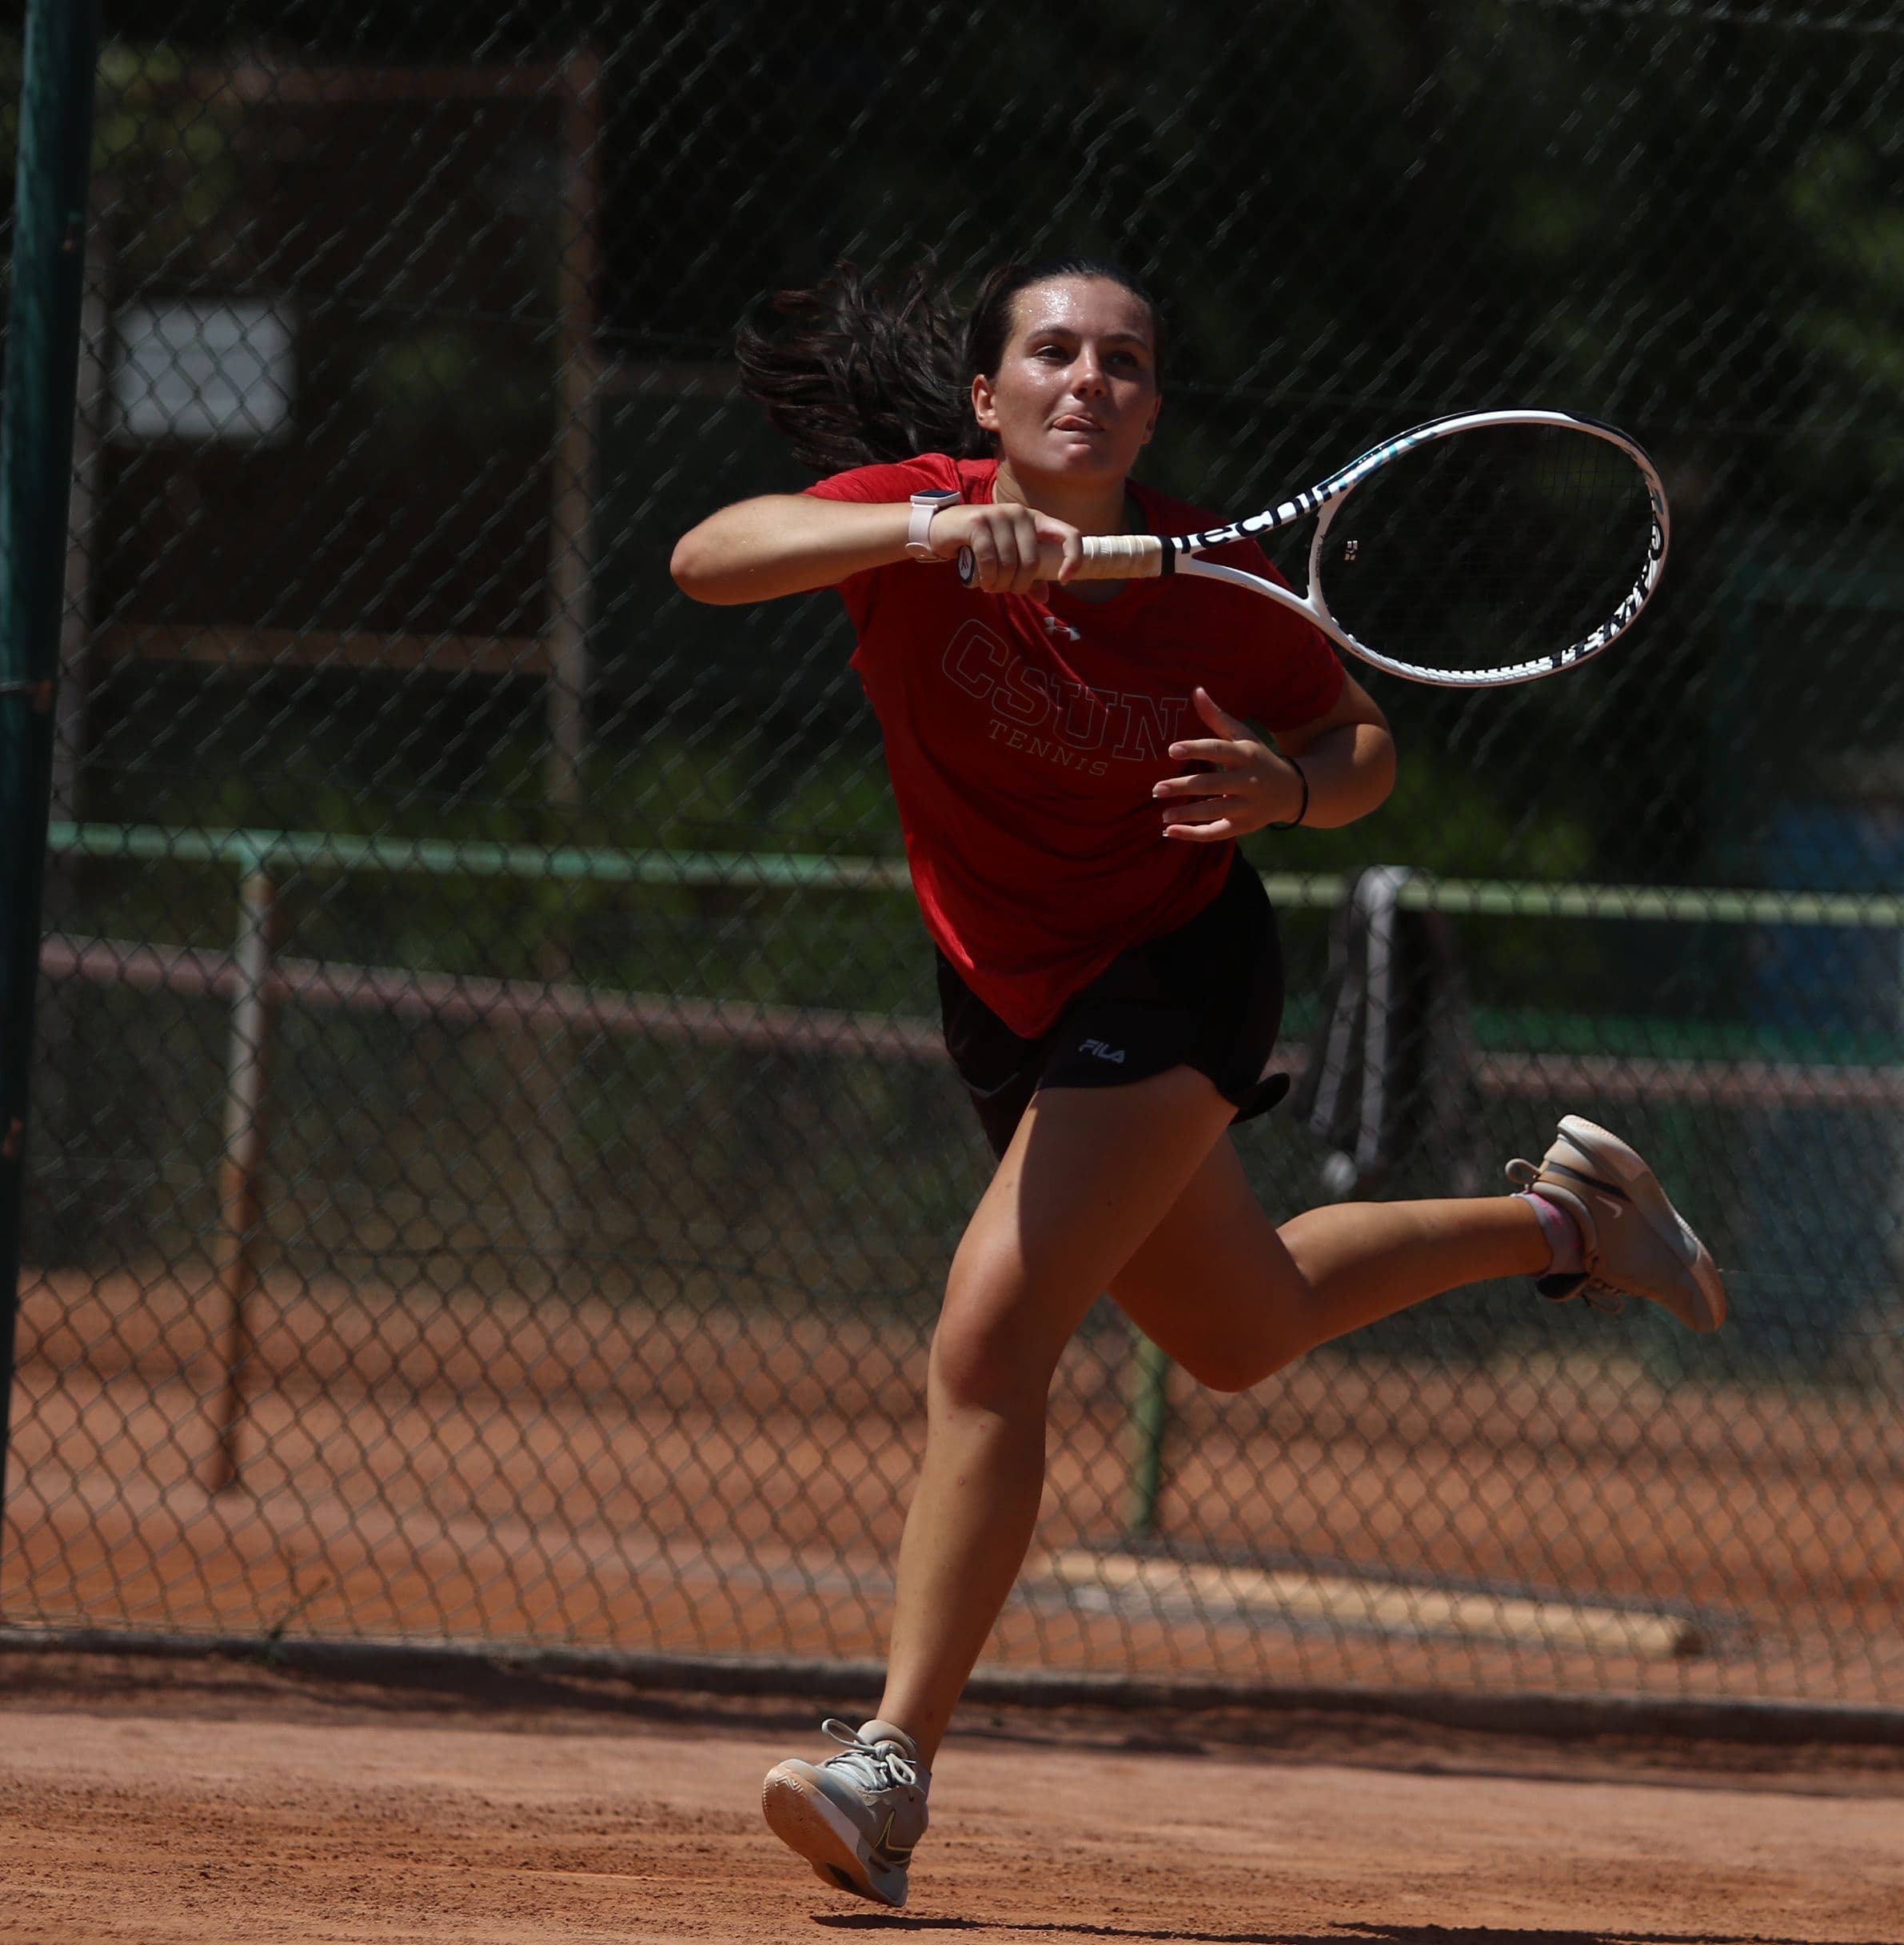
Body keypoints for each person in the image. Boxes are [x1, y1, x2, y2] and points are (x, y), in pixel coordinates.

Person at [669, 254, 1725, 1908]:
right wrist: (927, 535)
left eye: (1126, 362)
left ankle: (889, 1765)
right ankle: (1566, 1220)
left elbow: (1360, 747)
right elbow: (706, 558)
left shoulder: (1217, 575)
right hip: (1006, 999)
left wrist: (1287, 795)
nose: (1089, 379)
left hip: (1174, 969)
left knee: (990, 1334)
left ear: (1150, 406)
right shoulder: (914, 516)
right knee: (1245, 1330)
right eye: (1054, 352)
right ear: (989, 397)